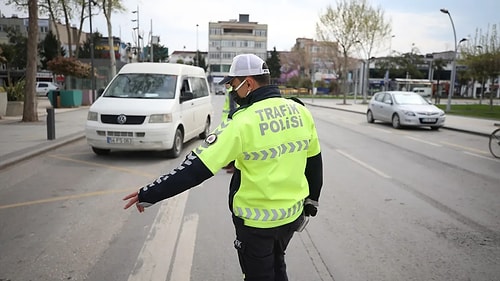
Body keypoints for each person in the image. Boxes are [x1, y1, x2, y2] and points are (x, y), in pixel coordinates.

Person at [123, 53, 323, 281]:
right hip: (291, 218)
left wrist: (149, 193)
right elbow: (314, 161)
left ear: (248, 83)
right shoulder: (300, 111)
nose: (230, 90)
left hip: (256, 224)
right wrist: (312, 201)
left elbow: (194, 169)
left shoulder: (242, 122)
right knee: (278, 264)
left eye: (232, 84)